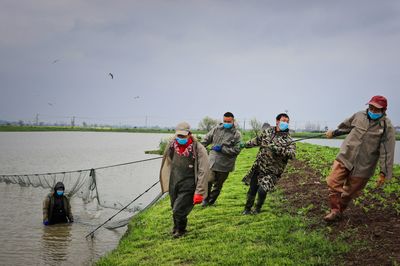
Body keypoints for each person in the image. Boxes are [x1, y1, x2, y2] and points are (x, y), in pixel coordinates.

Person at [323, 95, 396, 221]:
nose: (372, 111)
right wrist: (333, 133)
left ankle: (339, 211)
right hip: (346, 156)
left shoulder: (386, 126)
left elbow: (387, 151)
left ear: (383, 111)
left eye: (376, 109)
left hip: (364, 165)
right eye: (371, 107)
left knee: (350, 192)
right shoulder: (358, 116)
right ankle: (335, 210)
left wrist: (383, 172)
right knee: (332, 181)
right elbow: (345, 127)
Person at [160, 122, 209, 238]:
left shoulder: (198, 149)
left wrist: (199, 192)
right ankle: (176, 227)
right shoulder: (171, 145)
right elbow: (169, 160)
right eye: (179, 136)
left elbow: (203, 171)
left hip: (189, 183)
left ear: (189, 134)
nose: (180, 138)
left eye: (183, 136)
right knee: (174, 206)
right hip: (174, 181)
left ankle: (181, 230)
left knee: (179, 209)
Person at [241, 113, 296, 214]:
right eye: (283, 121)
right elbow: (257, 140)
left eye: (287, 122)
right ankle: (247, 209)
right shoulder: (268, 132)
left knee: (262, 190)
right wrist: (244, 145)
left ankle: (257, 208)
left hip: (273, 171)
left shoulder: (289, 140)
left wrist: (278, 149)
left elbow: (292, 154)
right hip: (259, 166)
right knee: (252, 189)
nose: (286, 123)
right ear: (277, 121)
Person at [201, 112, 242, 206]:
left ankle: (211, 201)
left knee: (218, 185)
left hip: (225, 164)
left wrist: (223, 149)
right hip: (212, 161)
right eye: (225, 121)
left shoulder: (237, 134)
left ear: (233, 121)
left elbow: (237, 150)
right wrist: (200, 149)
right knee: (208, 180)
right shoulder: (216, 129)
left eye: (229, 121)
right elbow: (206, 140)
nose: (226, 123)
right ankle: (205, 200)